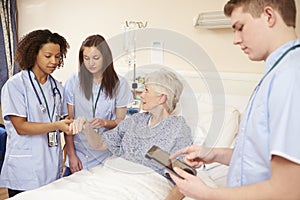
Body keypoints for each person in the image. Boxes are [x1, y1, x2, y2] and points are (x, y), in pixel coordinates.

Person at [169, 0, 300, 199]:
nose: (236, 40)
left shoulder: (290, 76)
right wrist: (215, 154)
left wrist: (206, 194)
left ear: (269, 16)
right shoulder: (278, 72)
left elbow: (288, 190)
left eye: (240, 28)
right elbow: (260, 160)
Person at [69, 68, 193, 200]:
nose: (141, 95)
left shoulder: (178, 129)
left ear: (162, 98)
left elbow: (185, 175)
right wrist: (86, 126)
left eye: (146, 90)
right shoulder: (136, 120)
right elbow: (100, 144)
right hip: (111, 176)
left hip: (143, 184)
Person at [0, 29, 72, 197]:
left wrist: (71, 122)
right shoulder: (16, 85)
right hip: (26, 169)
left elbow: (60, 119)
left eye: (58, 56)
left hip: (51, 164)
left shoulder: (57, 88)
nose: (54, 61)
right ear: (33, 54)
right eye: (48, 56)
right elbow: (21, 127)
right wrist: (57, 125)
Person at [63, 34, 134, 176]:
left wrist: (105, 122)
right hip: (79, 153)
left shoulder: (119, 84)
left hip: (104, 156)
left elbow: (120, 122)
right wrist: (71, 155)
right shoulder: (74, 81)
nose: (91, 63)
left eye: (96, 58)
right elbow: (68, 122)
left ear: (105, 58)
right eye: (86, 58)